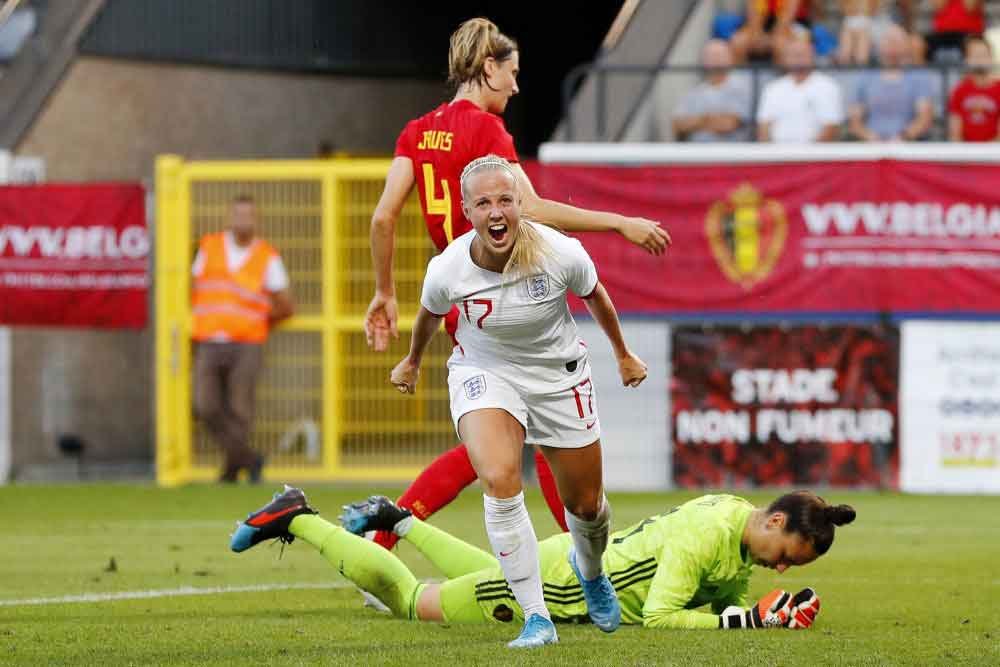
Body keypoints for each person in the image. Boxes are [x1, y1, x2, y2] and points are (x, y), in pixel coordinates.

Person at [365, 17, 671, 551]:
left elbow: (383, 217)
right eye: (512, 73)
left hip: (459, 292)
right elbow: (531, 209)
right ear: (489, 68)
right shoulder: (485, 130)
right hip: (496, 295)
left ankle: (385, 538)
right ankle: (591, 557)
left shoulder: (417, 130)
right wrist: (619, 222)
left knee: (511, 436)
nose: (516, 85)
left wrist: (384, 291)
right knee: (525, 435)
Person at [384, 154, 648, 647]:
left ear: (521, 204)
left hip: (558, 375)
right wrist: (413, 361)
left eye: (505, 199)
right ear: (467, 211)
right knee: (501, 479)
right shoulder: (448, 268)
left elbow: (597, 298)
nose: (496, 211)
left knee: (586, 507)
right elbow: (427, 314)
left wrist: (624, 354)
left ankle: (589, 571)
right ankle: (537, 618)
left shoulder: (560, 252)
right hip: (484, 371)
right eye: (483, 202)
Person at [231, 488, 853, 632]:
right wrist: (741, 622)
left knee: (480, 574)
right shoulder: (703, 533)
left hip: (562, 566)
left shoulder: (737, 524)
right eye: (786, 559)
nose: (779, 570)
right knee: (410, 602)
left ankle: (400, 521)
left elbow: (714, 599)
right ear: (773, 522)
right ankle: (297, 517)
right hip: (559, 591)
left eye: (790, 572)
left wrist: (766, 611)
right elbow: (663, 615)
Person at [191, 194, 294, 482]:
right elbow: (194, 288)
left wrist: (260, 322)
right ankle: (249, 459)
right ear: (229, 218)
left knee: (240, 410)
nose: (243, 221)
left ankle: (231, 469)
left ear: (256, 220)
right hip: (209, 339)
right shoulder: (209, 247)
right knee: (204, 405)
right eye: (238, 215)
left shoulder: (266, 256)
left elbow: (286, 305)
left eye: (248, 216)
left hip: (247, 342)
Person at [848, 24, 934, 142]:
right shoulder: (866, 77)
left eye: (897, 42)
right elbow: (855, 121)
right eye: (888, 41)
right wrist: (871, 137)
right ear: (880, 45)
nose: (892, 46)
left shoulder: (919, 77)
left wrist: (903, 137)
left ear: (906, 46)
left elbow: (924, 118)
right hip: (871, 146)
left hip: (908, 146)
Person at [756, 38, 845, 142]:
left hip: (816, 155)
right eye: (793, 54)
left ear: (813, 56)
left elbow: (832, 127)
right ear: (785, 58)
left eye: (802, 54)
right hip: (777, 154)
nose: (798, 58)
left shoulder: (828, 86)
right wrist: (771, 154)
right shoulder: (772, 88)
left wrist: (809, 154)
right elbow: (763, 126)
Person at [668, 39, 752, 142]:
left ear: (731, 58)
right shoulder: (694, 92)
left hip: (732, 154)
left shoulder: (742, 87)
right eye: (711, 56)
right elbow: (678, 125)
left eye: (719, 55)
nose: (715, 60)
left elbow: (728, 124)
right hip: (697, 154)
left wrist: (696, 121)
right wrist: (709, 119)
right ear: (703, 61)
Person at [729, 0, 815, 65]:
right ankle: (744, 80)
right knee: (738, 41)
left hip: (792, 24)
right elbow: (753, 12)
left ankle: (781, 82)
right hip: (762, 25)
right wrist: (757, 35)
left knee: (780, 44)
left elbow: (788, 15)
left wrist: (773, 39)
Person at [949, 36, 1000, 141]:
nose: (980, 60)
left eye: (984, 55)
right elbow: (954, 133)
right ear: (967, 59)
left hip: (994, 153)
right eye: (975, 56)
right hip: (966, 152)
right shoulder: (960, 89)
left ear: (991, 58)